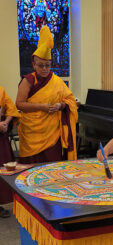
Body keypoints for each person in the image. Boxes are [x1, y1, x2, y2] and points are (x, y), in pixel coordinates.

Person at [16, 25, 78, 163]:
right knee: (31, 168)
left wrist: (60, 105)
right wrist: (42, 107)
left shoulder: (56, 81)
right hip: (32, 133)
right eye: (40, 65)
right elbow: (19, 104)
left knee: (51, 166)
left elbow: (70, 100)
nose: (44, 69)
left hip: (52, 133)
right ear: (34, 64)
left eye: (47, 65)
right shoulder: (28, 80)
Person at [0, 86, 21, 217]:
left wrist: (6, 123)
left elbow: (11, 108)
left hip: (1, 133)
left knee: (2, 168)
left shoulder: (0, 90)